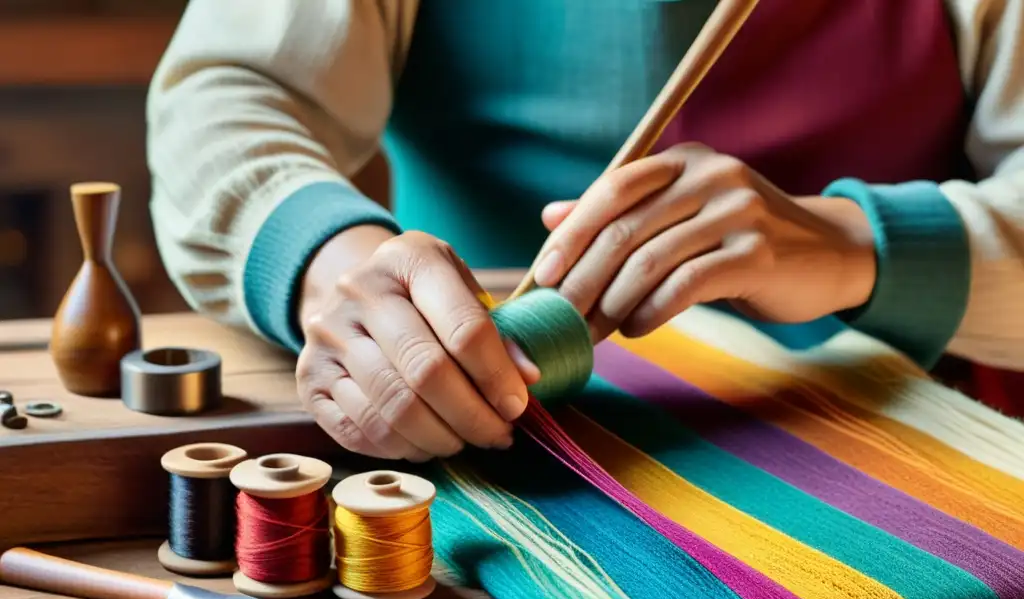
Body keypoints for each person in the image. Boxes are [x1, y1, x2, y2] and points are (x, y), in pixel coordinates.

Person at [146, 0, 1024, 461]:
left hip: (921, 463)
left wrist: (854, 246)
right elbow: (229, 97)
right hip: (488, 444)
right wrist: (341, 268)